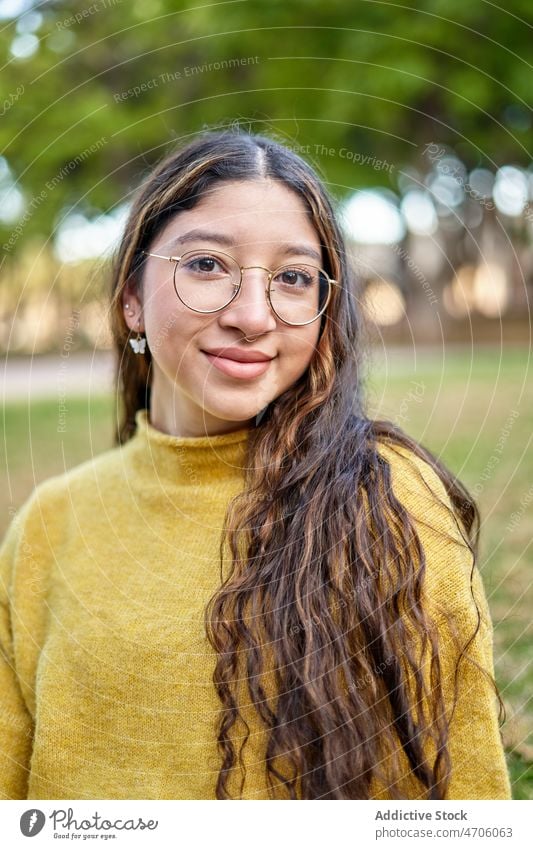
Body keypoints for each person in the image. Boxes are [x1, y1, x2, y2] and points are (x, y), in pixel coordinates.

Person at [0, 129, 511, 801]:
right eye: (207, 265)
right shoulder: (49, 523)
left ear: (323, 311)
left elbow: (462, 799)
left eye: (293, 278)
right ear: (131, 297)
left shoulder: (390, 497)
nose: (250, 314)